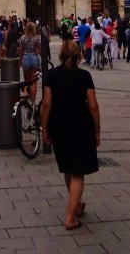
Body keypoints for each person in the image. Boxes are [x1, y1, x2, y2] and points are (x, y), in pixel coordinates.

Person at [39, 40, 100, 231]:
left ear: (60, 56)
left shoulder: (52, 75)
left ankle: (77, 205)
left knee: (68, 167)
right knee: (78, 172)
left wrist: (44, 128)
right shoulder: (84, 76)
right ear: (79, 55)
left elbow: (47, 104)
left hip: (59, 125)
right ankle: (70, 218)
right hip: (81, 126)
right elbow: (93, 105)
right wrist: (97, 130)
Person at [18, 22, 42, 104]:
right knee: (34, 82)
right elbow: (39, 50)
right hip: (34, 58)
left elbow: (21, 51)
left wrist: (20, 60)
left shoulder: (23, 38)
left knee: (26, 81)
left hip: (26, 59)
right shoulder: (36, 38)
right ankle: (33, 102)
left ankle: (26, 99)